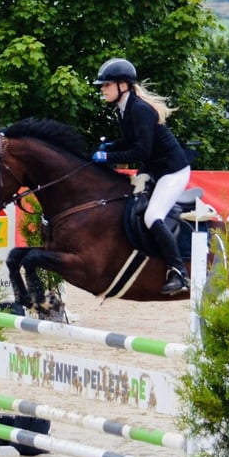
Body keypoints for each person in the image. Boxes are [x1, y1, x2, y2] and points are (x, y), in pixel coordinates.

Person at [91, 58, 191, 295]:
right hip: (153, 167)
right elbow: (128, 142)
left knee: (152, 215)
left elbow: (140, 151)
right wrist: (108, 147)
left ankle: (179, 272)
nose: (102, 89)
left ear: (123, 85)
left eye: (107, 84)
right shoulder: (124, 109)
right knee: (129, 204)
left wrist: (107, 158)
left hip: (172, 171)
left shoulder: (139, 109)